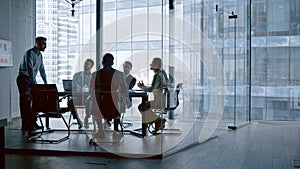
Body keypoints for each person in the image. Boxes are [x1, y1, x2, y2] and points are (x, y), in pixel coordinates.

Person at [93, 53, 131, 138]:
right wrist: (127, 101)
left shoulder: (95, 74)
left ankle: (100, 131)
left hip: (100, 104)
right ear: (112, 63)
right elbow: (125, 89)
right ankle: (116, 131)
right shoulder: (119, 74)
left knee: (94, 105)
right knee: (119, 104)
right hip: (114, 105)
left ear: (102, 62)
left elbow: (91, 90)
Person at [16, 36, 48, 132]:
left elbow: (41, 69)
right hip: (24, 79)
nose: (45, 46)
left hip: (31, 80)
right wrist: (34, 84)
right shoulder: (30, 53)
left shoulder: (39, 55)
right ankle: (25, 124)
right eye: (43, 44)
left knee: (34, 101)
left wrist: (46, 82)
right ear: (37, 43)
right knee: (25, 102)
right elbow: (30, 70)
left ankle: (33, 122)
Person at [137, 57, 168, 131]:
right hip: (164, 101)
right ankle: (157, 121)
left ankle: (158, 120)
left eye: (152, 63)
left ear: (156, 65)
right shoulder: (163, 73)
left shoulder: (157, 75)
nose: (151, 64)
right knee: (145, 105)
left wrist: (142, 87)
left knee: (142, 106)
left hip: (159, 102)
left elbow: (151, 89)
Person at [72, 58, 94, 128]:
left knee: (89, 101)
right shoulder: (77, 75)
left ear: (91, 66)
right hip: (78, 97)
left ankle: (86, 118)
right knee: (70, 102)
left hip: (88, 97)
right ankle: (78, 121)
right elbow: (73, 86)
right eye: (85, 63)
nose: (85, 65)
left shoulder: (93, 77)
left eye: (87, 64)